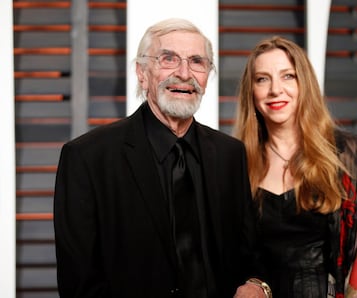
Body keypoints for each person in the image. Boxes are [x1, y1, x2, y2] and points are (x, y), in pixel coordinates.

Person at [53, 18, 270, 298]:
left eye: (197, 61)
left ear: (207, 75)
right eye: (169, 59)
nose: (184, 73)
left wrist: (256, 284)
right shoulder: (87, 158)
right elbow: (78, 282)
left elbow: (250, 251)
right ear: (142, 73)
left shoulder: (230, 154)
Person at [233, 36, 357, 297]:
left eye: (288, 76)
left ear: (305, 84)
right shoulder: (235, 161)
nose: (275, 90)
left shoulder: (346, 153)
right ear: (251, 92)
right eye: (262, 79)